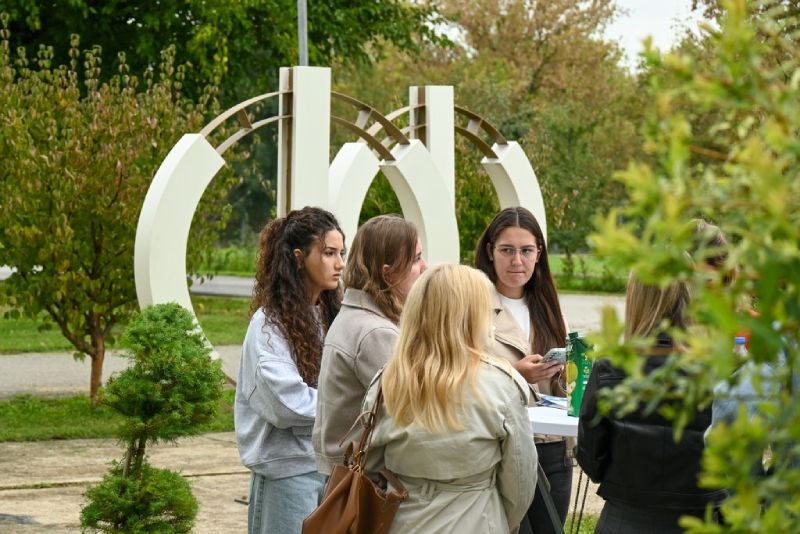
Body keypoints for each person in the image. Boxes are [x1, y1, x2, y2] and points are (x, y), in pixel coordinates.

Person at [364, 264, 538, 534]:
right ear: (472, 316)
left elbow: (369, 468)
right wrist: (502, 521)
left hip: (402, 519)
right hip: (477, 519)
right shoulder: (501, 384)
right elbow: (521, 479)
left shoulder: (387, 381)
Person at [576, 275, 728, 533]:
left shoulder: (609, 369)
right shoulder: (718, 371)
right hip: (699, 519)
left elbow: (590, 456)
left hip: (625, 517)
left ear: (635, 300)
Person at [234, 206, 345, 534]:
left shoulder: (331, 316)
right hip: (287, 476)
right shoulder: (269, 325)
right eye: (328, 253)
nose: (339, 263)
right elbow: (285, 403)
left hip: (330, 470)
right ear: (299, 257)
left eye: (342, 253)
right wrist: (349, 408)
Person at [474, 206, 570, 533]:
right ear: (490, 251)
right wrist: (516, 374)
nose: (518, 261)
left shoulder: (547, 305)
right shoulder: (472, 305)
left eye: (527, 251)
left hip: (553, 447)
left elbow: (565, 391)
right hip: (502, 447)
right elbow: (462, 374)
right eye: (507, 250)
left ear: (539, 253)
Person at [313, 214, 426, 474]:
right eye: (416, 260)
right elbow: (412, 413)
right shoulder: (374, 332)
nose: (425, 268)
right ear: (388, 274)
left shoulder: (361, 317)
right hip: (366, 485)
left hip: (348, 477)